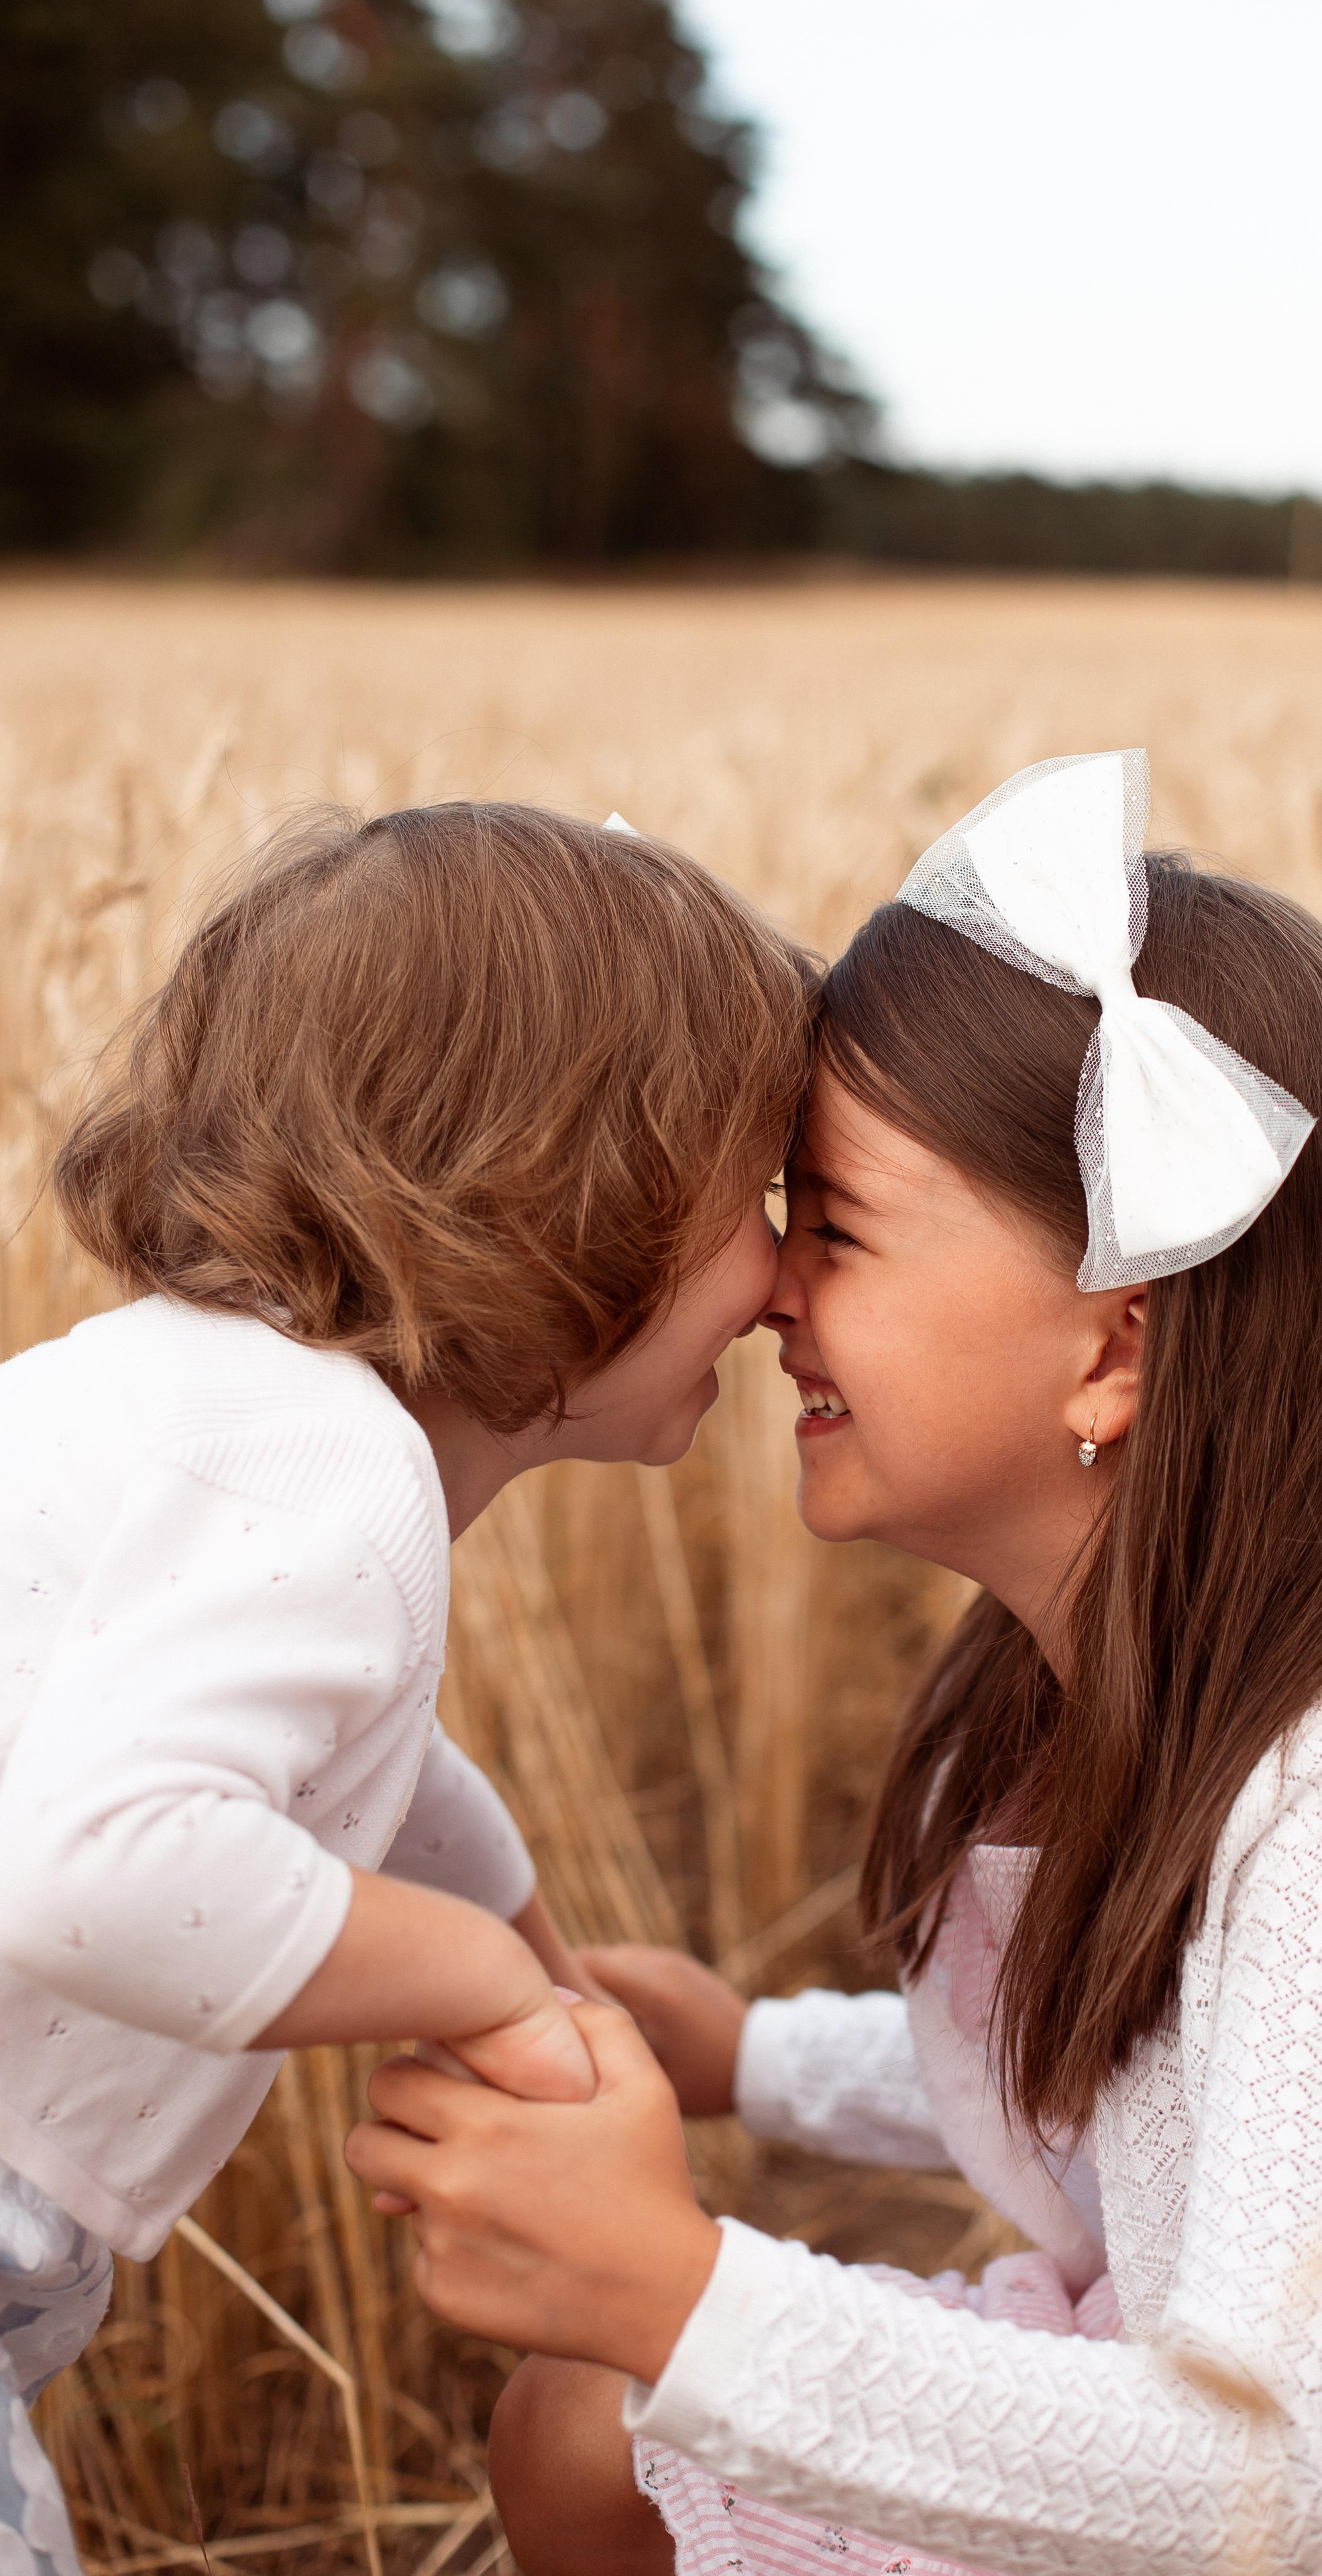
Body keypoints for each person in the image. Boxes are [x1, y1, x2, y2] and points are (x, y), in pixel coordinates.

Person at [348, 755, 1322, 2576]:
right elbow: (1163, 2080)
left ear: (1112, 1347)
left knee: (614, 2403)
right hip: (1204, 2437)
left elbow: (1258, 2473)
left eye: (830, 1225)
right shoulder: (1106, 1678)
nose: (767, 1294)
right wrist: (754, 2058)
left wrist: (689, 2296)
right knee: (578, 2426)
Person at [0, 800, 814, 2575]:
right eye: (753, 1201)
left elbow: (375, 1767)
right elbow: (89, 1868)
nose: (780, 1282)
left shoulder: (186, 1404)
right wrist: (474, 1986)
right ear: (571, 1190)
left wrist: (532, 1940)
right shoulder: (337, 1478)